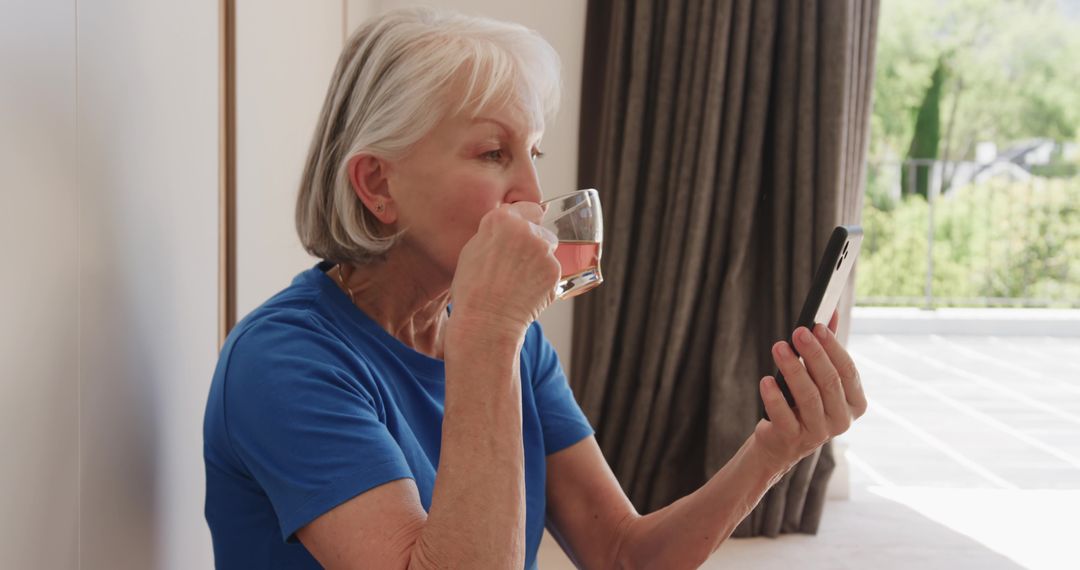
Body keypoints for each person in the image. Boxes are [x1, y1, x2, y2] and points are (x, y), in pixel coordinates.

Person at [203, 7, 868, 569]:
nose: (531, 191)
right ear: (378, 185)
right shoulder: (284, 361)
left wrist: (772, 451)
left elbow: (621, 554)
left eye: (534, 153)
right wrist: (490, 331)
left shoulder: (512, 344)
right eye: (493, 153)